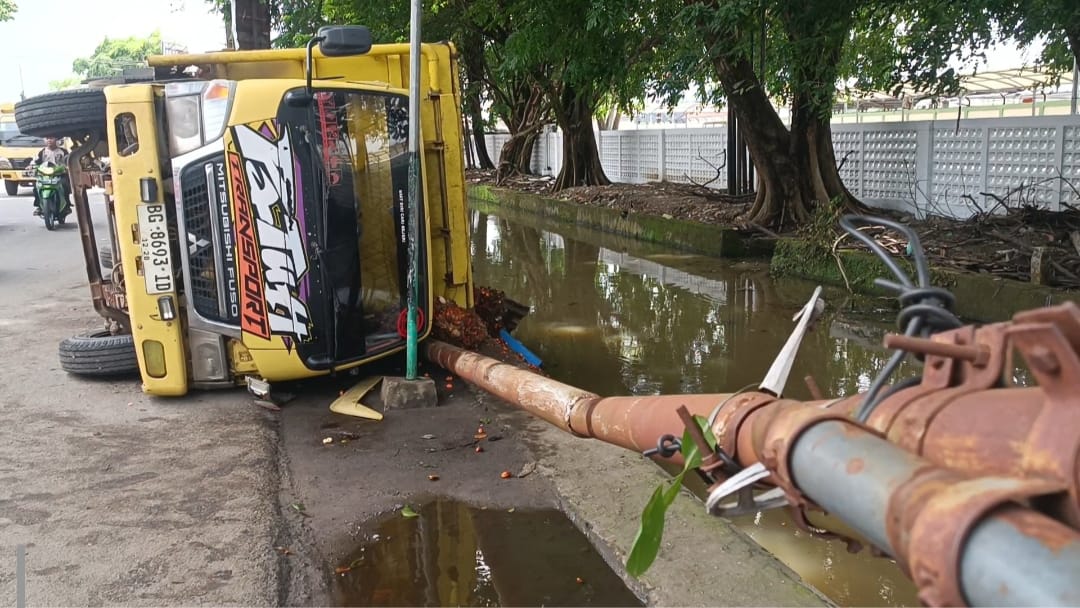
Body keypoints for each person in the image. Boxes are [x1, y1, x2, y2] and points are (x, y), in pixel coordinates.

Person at [32, 137, 72, 216]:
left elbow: (68, 161)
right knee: (36, 187)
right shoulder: (42, 152)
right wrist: (31, 166)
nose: (49, 140)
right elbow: (35, 162)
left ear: (56, 139)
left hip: (59, 175)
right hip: (45, 176)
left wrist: (67, 167)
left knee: (65, 185)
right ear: (44, 140)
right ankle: (39, 206)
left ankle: (66, 206)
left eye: (51, 138)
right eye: (47, 138)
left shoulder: (63, 151)